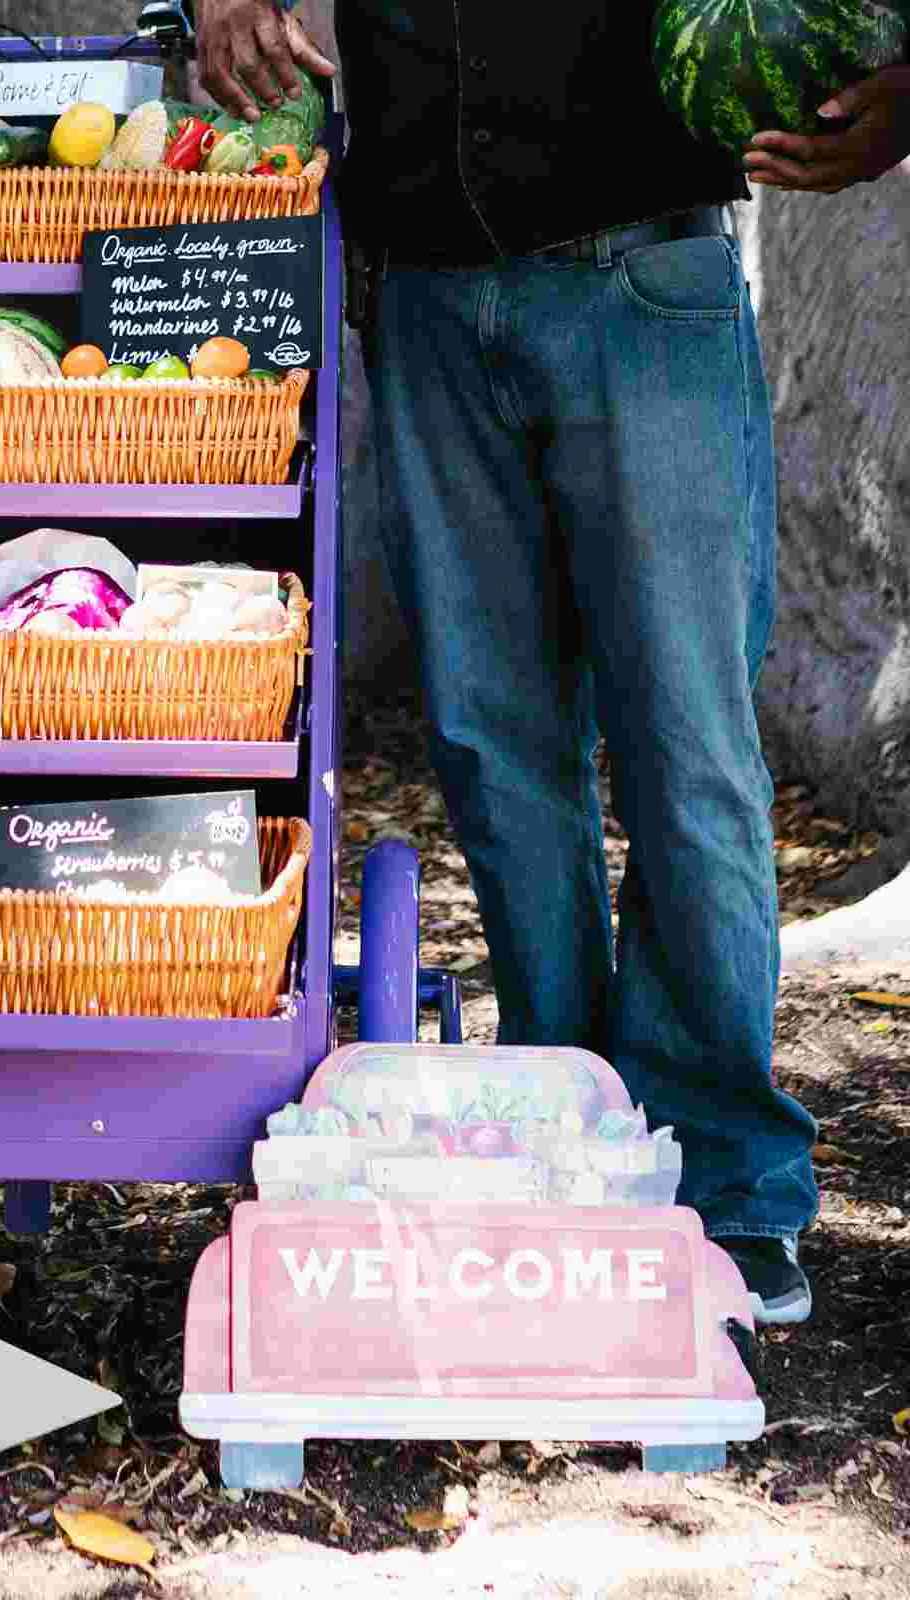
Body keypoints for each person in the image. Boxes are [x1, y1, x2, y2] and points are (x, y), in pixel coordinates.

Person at [198, 0, 910, 1327]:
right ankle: (571, 1145)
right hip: (423, 298)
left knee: (686, 749)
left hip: (644, 279)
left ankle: (727, 1192)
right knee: (492, 749)